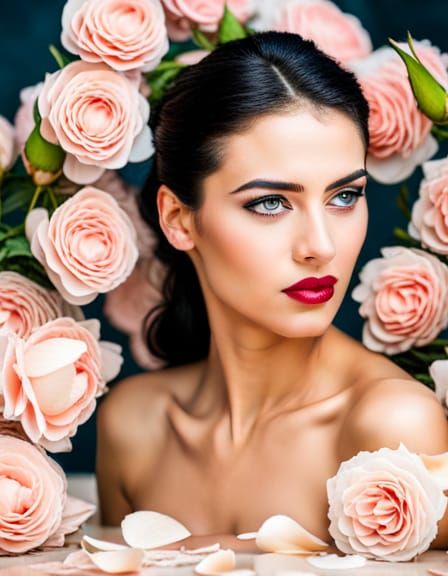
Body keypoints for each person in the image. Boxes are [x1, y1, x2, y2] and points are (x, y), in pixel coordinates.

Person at [96, 30, 448, 548]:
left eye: (345, 196)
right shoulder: (133, 427)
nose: (320, 246)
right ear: (179, 219)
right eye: (270, 203)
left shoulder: (392, 431)